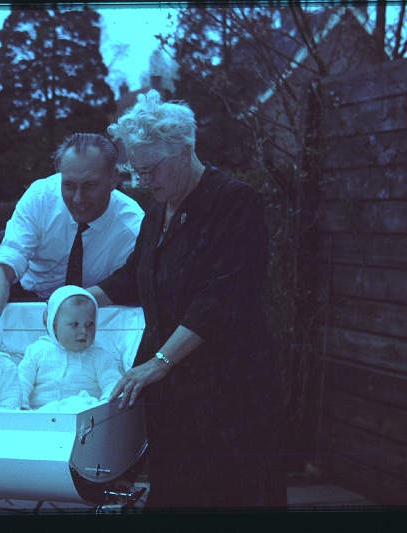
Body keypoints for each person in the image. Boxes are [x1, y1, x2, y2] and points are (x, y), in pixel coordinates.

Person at [87, 90, 287, 509]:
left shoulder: (233, 202)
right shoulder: (158, 211)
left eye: (151, 170)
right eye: (136, 171)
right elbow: (135, 276)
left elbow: (223, 297)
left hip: (229, 395)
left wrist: (159, 362)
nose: (144, 181)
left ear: (184, 152)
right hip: (174, 398)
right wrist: (81, 300)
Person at [0, 133, 144, 314]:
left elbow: (122, 289)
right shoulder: (41, 196)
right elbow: (4, 265)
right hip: (23, 289)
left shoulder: (133, 228)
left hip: (86, 306)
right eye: (69, 185)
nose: (78, 199)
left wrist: (67, 306)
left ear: (113, 179)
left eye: (90, 185)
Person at [19, 286, 123, 410]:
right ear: (54, 326)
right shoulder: (37, 350)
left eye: (90, 324)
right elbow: (21, 382)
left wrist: (103, 408)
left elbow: (113, 385)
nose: (84, 331)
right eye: (74, 324)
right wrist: (22, 407)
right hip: (41, 413)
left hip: (83, 413)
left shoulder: (100, 356)